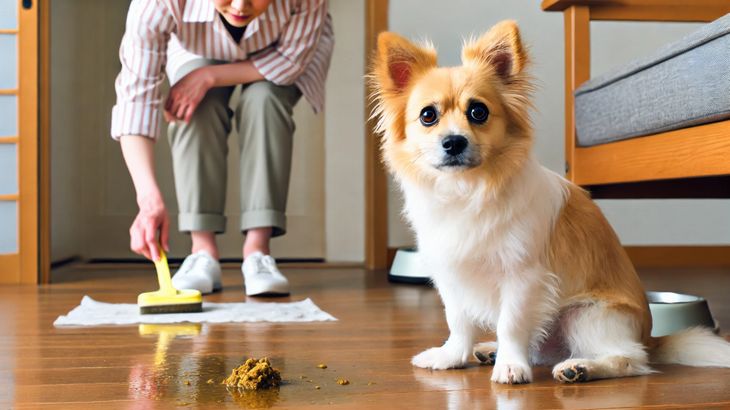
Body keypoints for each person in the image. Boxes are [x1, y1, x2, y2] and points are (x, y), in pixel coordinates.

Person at [111, 0, 333, 296]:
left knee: (264, 102)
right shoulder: (158, 4)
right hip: (196, 48)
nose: (241, 6)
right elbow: (135, 99)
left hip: (283, 51)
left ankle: (258, 251)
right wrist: (148, 198)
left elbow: (290, 61)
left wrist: (209, 77)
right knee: (194, 105)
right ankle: (202, 252)